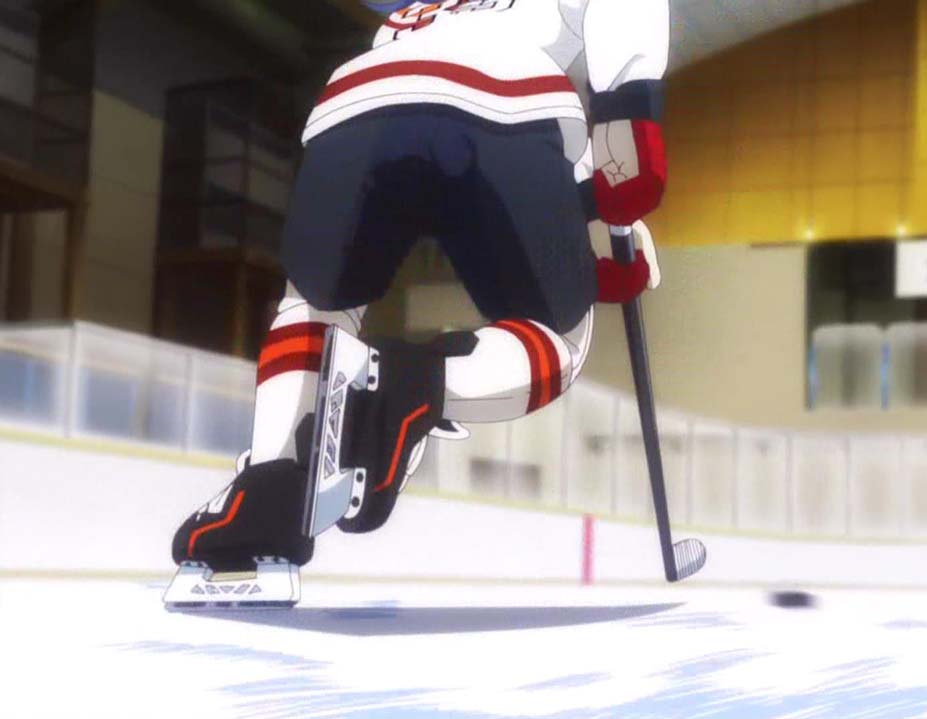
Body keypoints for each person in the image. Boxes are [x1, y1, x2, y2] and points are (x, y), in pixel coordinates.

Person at [163, 0, 671, 607]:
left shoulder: (419, 15)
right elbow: (613, 89)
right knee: (557, 339)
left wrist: (589, 222)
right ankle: (411, 384)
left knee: (315, 305)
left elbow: (426, 87)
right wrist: (624, 145)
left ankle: (266, 495)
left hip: (352, 108)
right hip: (504, 106)